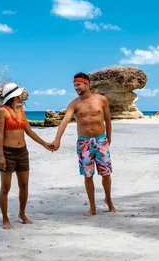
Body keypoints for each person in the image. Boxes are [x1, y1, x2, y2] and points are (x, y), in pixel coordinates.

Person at [50, 73, 116, 217]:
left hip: (101, 141)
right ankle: (92, 207)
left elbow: (108, 121)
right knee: (88, 175)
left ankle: (109, 200)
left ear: (86, 83)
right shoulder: (74, 104)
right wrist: (57, 139)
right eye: (74, 85)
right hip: (84, 143)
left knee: (105, 174)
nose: (76, 88)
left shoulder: (102, 100)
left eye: (78, 84)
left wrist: (108, 139)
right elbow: (65, 121)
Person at [0, 82, 52, 230]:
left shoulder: (21, 111)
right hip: (7, 153)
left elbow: (30, 132)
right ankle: (5, 219)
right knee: (5, 188)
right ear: (14, 96)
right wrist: (1, 156)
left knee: (24, 185)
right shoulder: (3, 111)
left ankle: (22, 213)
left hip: (22, 152)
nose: (22, 96)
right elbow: (0, 135)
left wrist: (44, 144)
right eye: (20, 94)